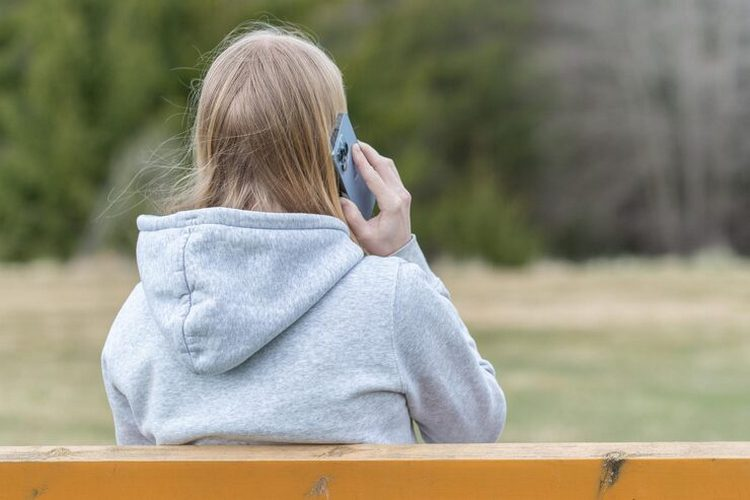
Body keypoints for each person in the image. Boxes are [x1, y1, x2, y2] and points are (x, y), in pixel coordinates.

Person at [101, 25, 506, 445]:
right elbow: (476, 428)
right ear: (333, 151)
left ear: (207, 144)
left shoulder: (137, 321)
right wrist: (402, 254)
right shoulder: (394, 298)